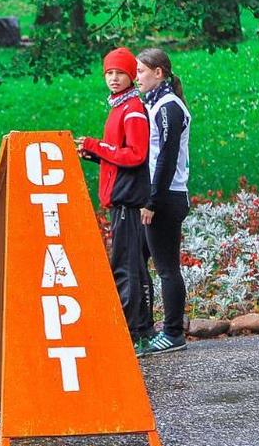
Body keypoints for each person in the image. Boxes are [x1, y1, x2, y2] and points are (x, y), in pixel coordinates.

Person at [77, 47, 154, 349]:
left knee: (126, 265)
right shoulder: (119, 107)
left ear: (131, 75)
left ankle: (132, 330)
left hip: (127, 200)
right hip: (120, 197)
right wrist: (95, 154)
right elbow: (118, 155)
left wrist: (98, 146)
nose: (113, 78)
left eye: (120, 72)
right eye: (109, 73)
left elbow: (135, 155)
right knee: (131, 263)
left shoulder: (132, 110)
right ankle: (141, 327)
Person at [136, 47, 191, 354]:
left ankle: (172, 333)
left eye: (141, 71)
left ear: (159, 73)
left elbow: (166, 158)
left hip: (167, 196)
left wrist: (152, 201)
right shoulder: (155, 104)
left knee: (167, 267)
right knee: (141, 259)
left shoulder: (168, 106)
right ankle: (146, 327)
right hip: (160, 194)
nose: (136, 77)